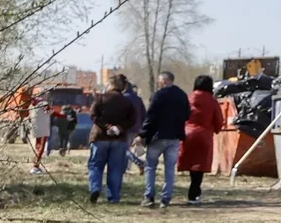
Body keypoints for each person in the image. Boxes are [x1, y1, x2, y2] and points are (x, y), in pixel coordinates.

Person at [137, 71, 190, 208]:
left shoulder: (158, 95)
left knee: (150, 166)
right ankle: (166, 198)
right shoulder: (182, 95)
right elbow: (187, 115)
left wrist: (142, 134)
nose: (158, 84)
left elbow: (150, 117)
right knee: (170, 168)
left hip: (157, 137)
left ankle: (149, 196)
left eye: (160, 81)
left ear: (164, 81)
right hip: (174, 137)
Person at [88, 73, 134, 203]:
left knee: (96, 165)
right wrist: (119, 127)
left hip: (100, 137)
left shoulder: (101, 98)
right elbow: (132, 120)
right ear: (123, 87)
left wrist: (107, 126)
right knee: (116, 168)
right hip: (119, 139)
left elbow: (93, 116)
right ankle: (114, 197)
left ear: (110, 84)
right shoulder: (127, 102)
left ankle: (95, 188)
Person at [180, 74, 223, 202]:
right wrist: (216, 129)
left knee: (190, 163)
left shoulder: (187, 98)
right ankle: (194, 193)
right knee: (199, 165)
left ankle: (192, 190)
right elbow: (219, 120)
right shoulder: (212, 101)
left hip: (187, 134)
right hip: (204, 135)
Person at [29, 91, 51, 172]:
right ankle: (35, 166)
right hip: (43, 128)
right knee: (41, 147)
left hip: (35, 127)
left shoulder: (31, 104)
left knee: (37, 146)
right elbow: (48, 111)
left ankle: (35, 163)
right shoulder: (44, 103)